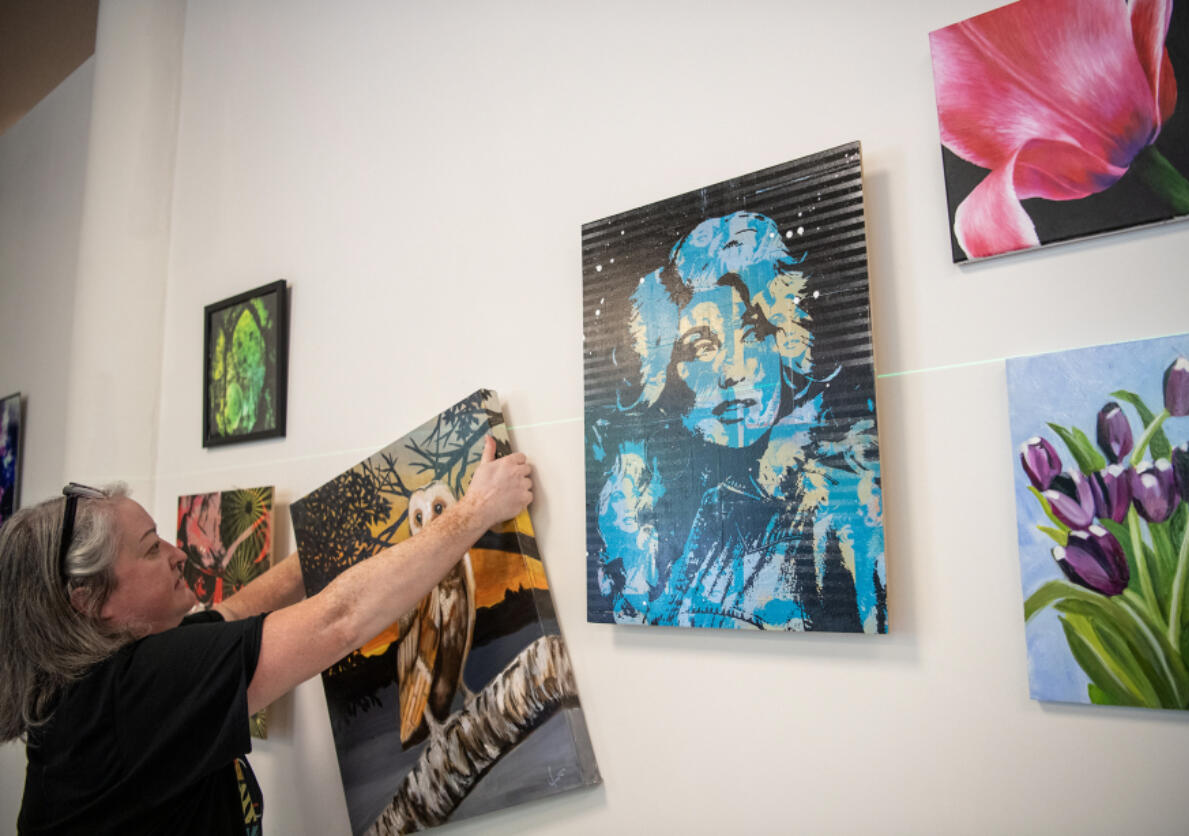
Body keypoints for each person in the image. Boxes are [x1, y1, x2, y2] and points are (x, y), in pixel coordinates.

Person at [0, 437, 532, 835]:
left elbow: (231, 615)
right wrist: (476, 509)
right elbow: (338, 620)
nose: (177, 553)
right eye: (149, 548)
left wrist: (320, 551)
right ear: (91, 602)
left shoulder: (88, 692)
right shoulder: (131, 695)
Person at [589, 211, 884, 631]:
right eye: (701, 345)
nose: (731, 371)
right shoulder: (679, 505)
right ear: (667, 367)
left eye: (752, 333)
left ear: (787, 341)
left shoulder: (845, 512)